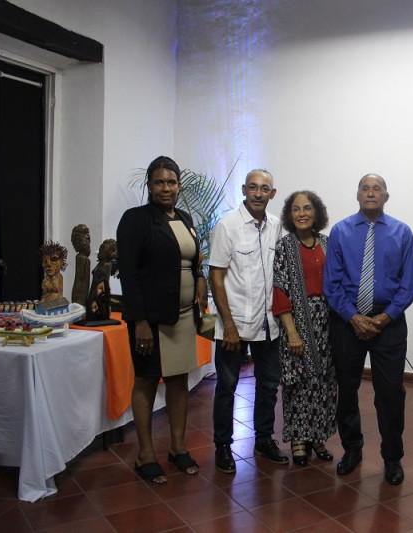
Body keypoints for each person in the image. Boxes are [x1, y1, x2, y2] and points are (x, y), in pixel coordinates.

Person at [323, 173, 413, 485]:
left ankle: (392, 458)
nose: (371, 193)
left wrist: (385, 317)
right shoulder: (340, 231)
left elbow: (409, 286)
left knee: (390, 394)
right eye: (365, 188)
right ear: (358, 195)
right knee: (347, 389)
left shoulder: (402, 233)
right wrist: (353, 317)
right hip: (347, 322)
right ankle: (352, 448)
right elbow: (332, 284)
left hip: (388, 324)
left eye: (377, 189)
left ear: (386, 197)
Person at [117, 155, 207, 483]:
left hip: (182, 316)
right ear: (149, 186)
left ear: (179, 185)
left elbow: (193, 258)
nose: (165, 188)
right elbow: (129, 273)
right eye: (159, 182)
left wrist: (200, 277)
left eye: (171, 182)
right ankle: (144, 455)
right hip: (151, 319)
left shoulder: (183, 217)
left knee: (179, 380)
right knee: (145, 380)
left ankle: (178, 448)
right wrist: (139, 320)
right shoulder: (136, 220)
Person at [209, 169, 287, 474]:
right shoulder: (227, 227)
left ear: (272, 193)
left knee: (268, 385)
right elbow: (216, 276)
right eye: (253, 188)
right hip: (235, 325)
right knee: (227, 386)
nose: (258, 193)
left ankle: (264, 440)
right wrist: (228, 325)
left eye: (264, 188)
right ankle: (222, 446)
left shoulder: (278, 227)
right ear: (244, 190)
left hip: (269, 324)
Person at [272, 191, 337, 466]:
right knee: (297, 383)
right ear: (290, 214)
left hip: (327, 324)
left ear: (316, 213)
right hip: (297, 323)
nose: (301, 213)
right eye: (296, 209)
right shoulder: (285, 246)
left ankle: (317, 435)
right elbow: (279, 291)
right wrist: (292, 332)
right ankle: (298, 438)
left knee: (323, 382)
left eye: (307, 208)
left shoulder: (327, 243)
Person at [70, 224, 91, 304]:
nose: (88, 238)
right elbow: (80, 277)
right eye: (85, 234)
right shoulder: (81, 258)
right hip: (80, 293)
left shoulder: (83, 258)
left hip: (82, 291)